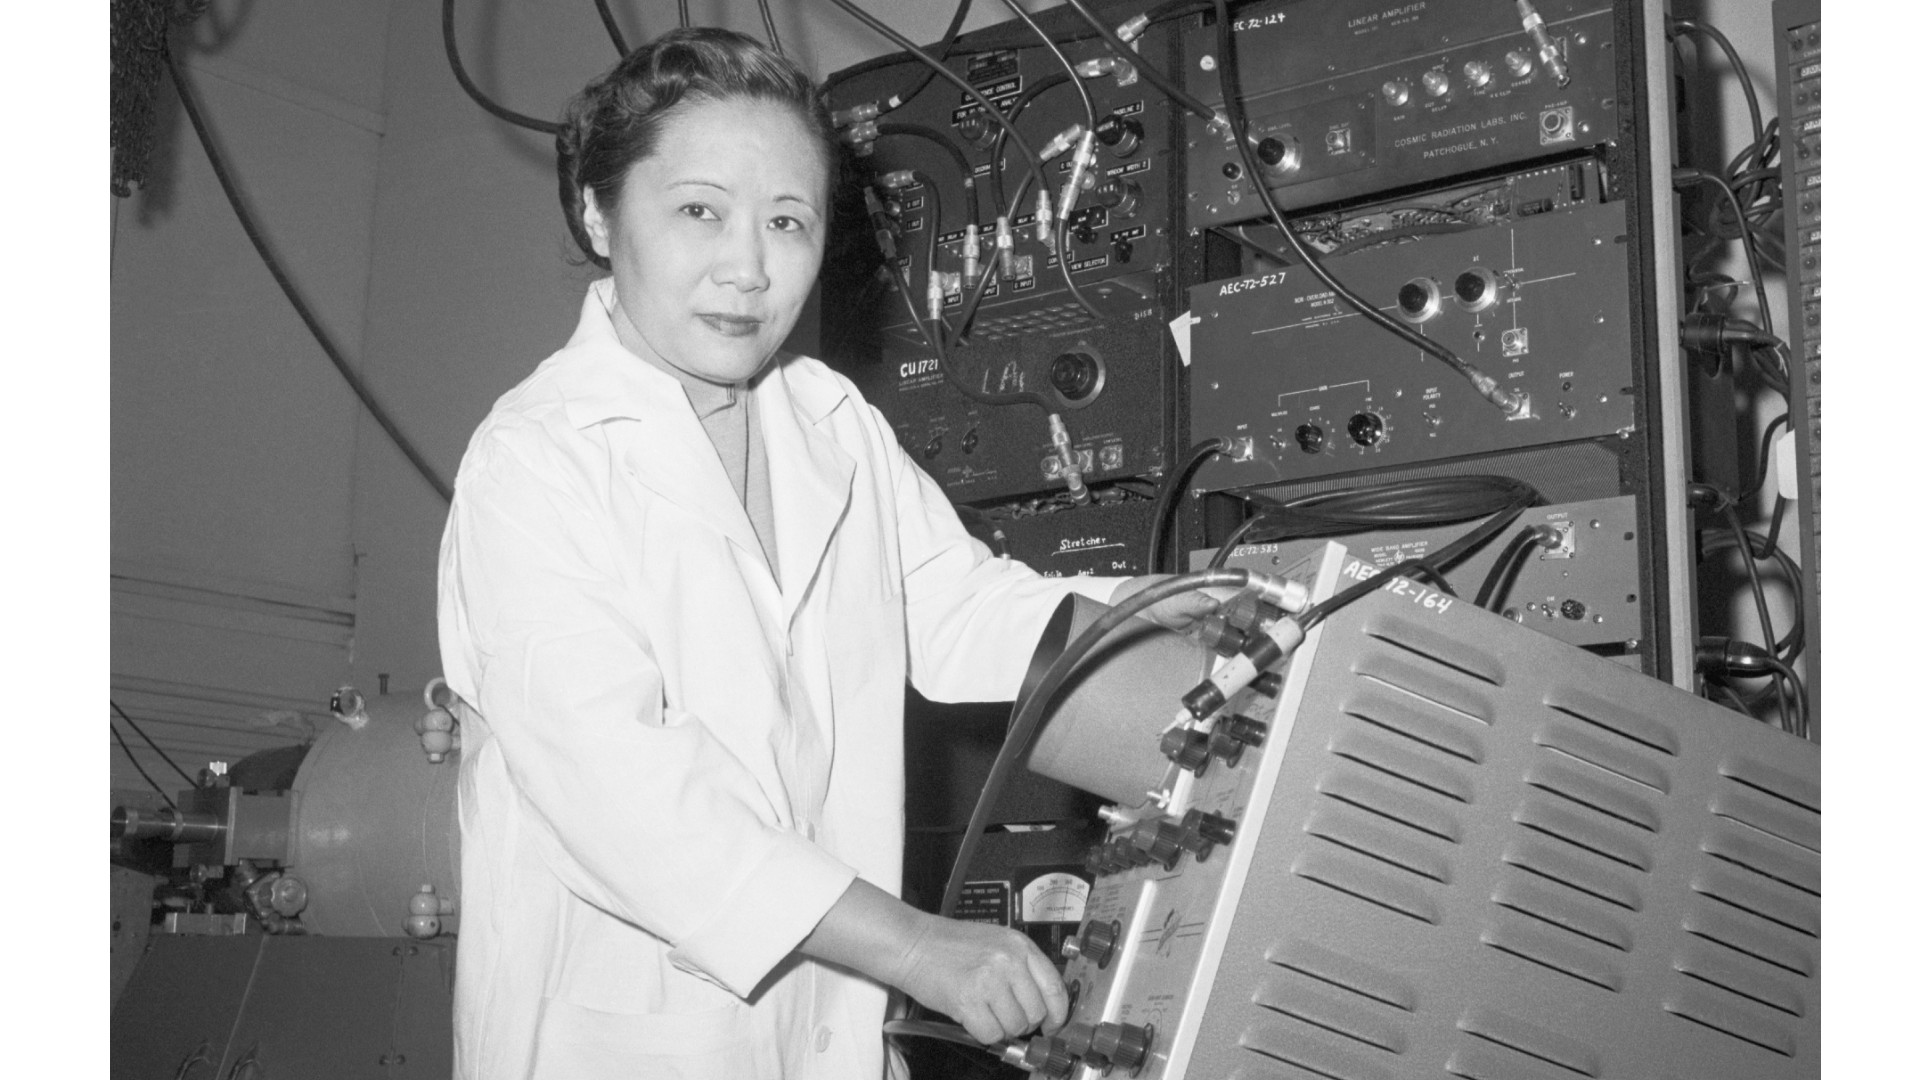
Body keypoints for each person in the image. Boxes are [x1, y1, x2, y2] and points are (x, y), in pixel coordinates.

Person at [436, 27, 1209, 1079]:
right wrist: (920, 948)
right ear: (597, 211)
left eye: (787, 221)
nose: (748, 268)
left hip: (827, 1043)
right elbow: (629, 802)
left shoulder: (828, 420)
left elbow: (959, 611)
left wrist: (1192, 608)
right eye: (699, 210)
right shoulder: (533, 462)